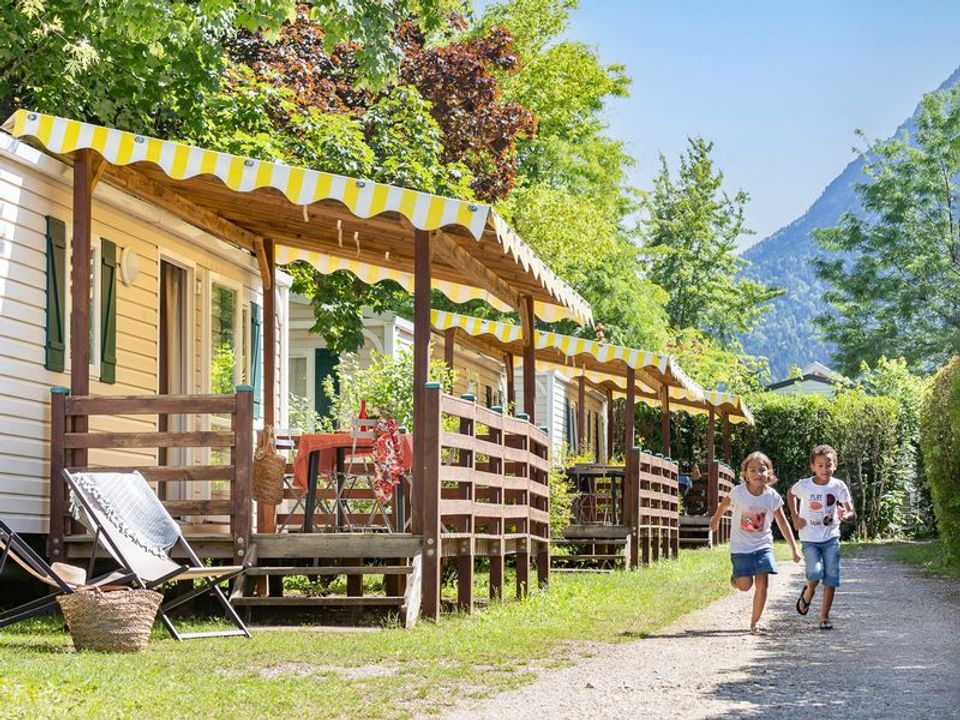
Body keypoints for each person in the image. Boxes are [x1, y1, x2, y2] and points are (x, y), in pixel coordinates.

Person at [710, 451, 801, 634]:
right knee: (745, 586)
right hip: (740, 546)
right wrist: (715, 520)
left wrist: (794, 548)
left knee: (763, 582)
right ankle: (737, 579)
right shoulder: (739, 492)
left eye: (762, 469)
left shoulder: (772, 497)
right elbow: (723, 505)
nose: (758, 473)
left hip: (763, 545)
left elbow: (782, 522)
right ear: (745, 475)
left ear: (769, 473)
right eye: (753, 470)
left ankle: (755, 622)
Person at [788, 444, 857, 630]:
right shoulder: (804, 485)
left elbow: (852, 512)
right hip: (809, 538)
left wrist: (846, 515)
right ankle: (809, 591)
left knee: (831, 577)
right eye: (820, 465)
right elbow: (790, 494)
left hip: (831, 537)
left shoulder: (838, 486)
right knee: (815, 574)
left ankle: (824, 616)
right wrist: (795, 516)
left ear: (835, 465)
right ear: (813, 467)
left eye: (829, 464)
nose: (825, 469)